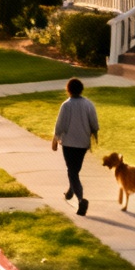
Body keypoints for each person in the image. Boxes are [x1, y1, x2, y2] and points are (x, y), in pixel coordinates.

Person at [52, 78, 99, 217]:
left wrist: (55, 139)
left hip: (69, 143)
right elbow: (94, 124)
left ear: (68, 90)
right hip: (83, 143)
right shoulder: (88, 104)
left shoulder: (66, 105)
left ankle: (81, 200)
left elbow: (60, 125)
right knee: (75, 170)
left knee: (72, 172)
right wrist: (94, 134)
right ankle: (71, 190)